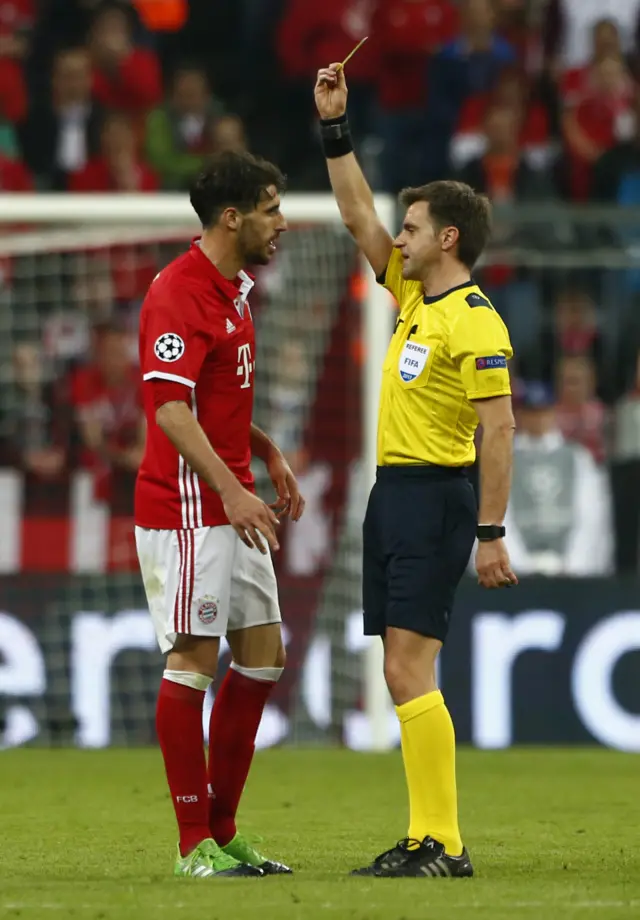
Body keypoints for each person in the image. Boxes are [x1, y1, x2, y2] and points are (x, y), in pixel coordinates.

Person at [314, 61, 517, 878]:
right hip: (393, 492)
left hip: (437, 497)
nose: (396, 236)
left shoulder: (476, 324)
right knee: (399, 667)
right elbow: (358, 211)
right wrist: (335, 129)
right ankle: (430, 835)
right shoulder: (411, 296)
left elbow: (498, 430)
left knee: (407, 667)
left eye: (413, 226)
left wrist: (491, 532)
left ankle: (443, 841)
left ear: (448, 239)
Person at [135, 151, 305, 879]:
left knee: (264, 657)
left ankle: (226, 828)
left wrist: (265, 452)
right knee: (193, 660)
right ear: (231, 217)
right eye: (271, 208)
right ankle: (190, 841)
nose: (283, 222)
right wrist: (231, 492)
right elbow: (170, 409)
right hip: (186, 511)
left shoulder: (233, 290)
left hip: (232, 497)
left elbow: (214, 400)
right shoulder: (179, 292)